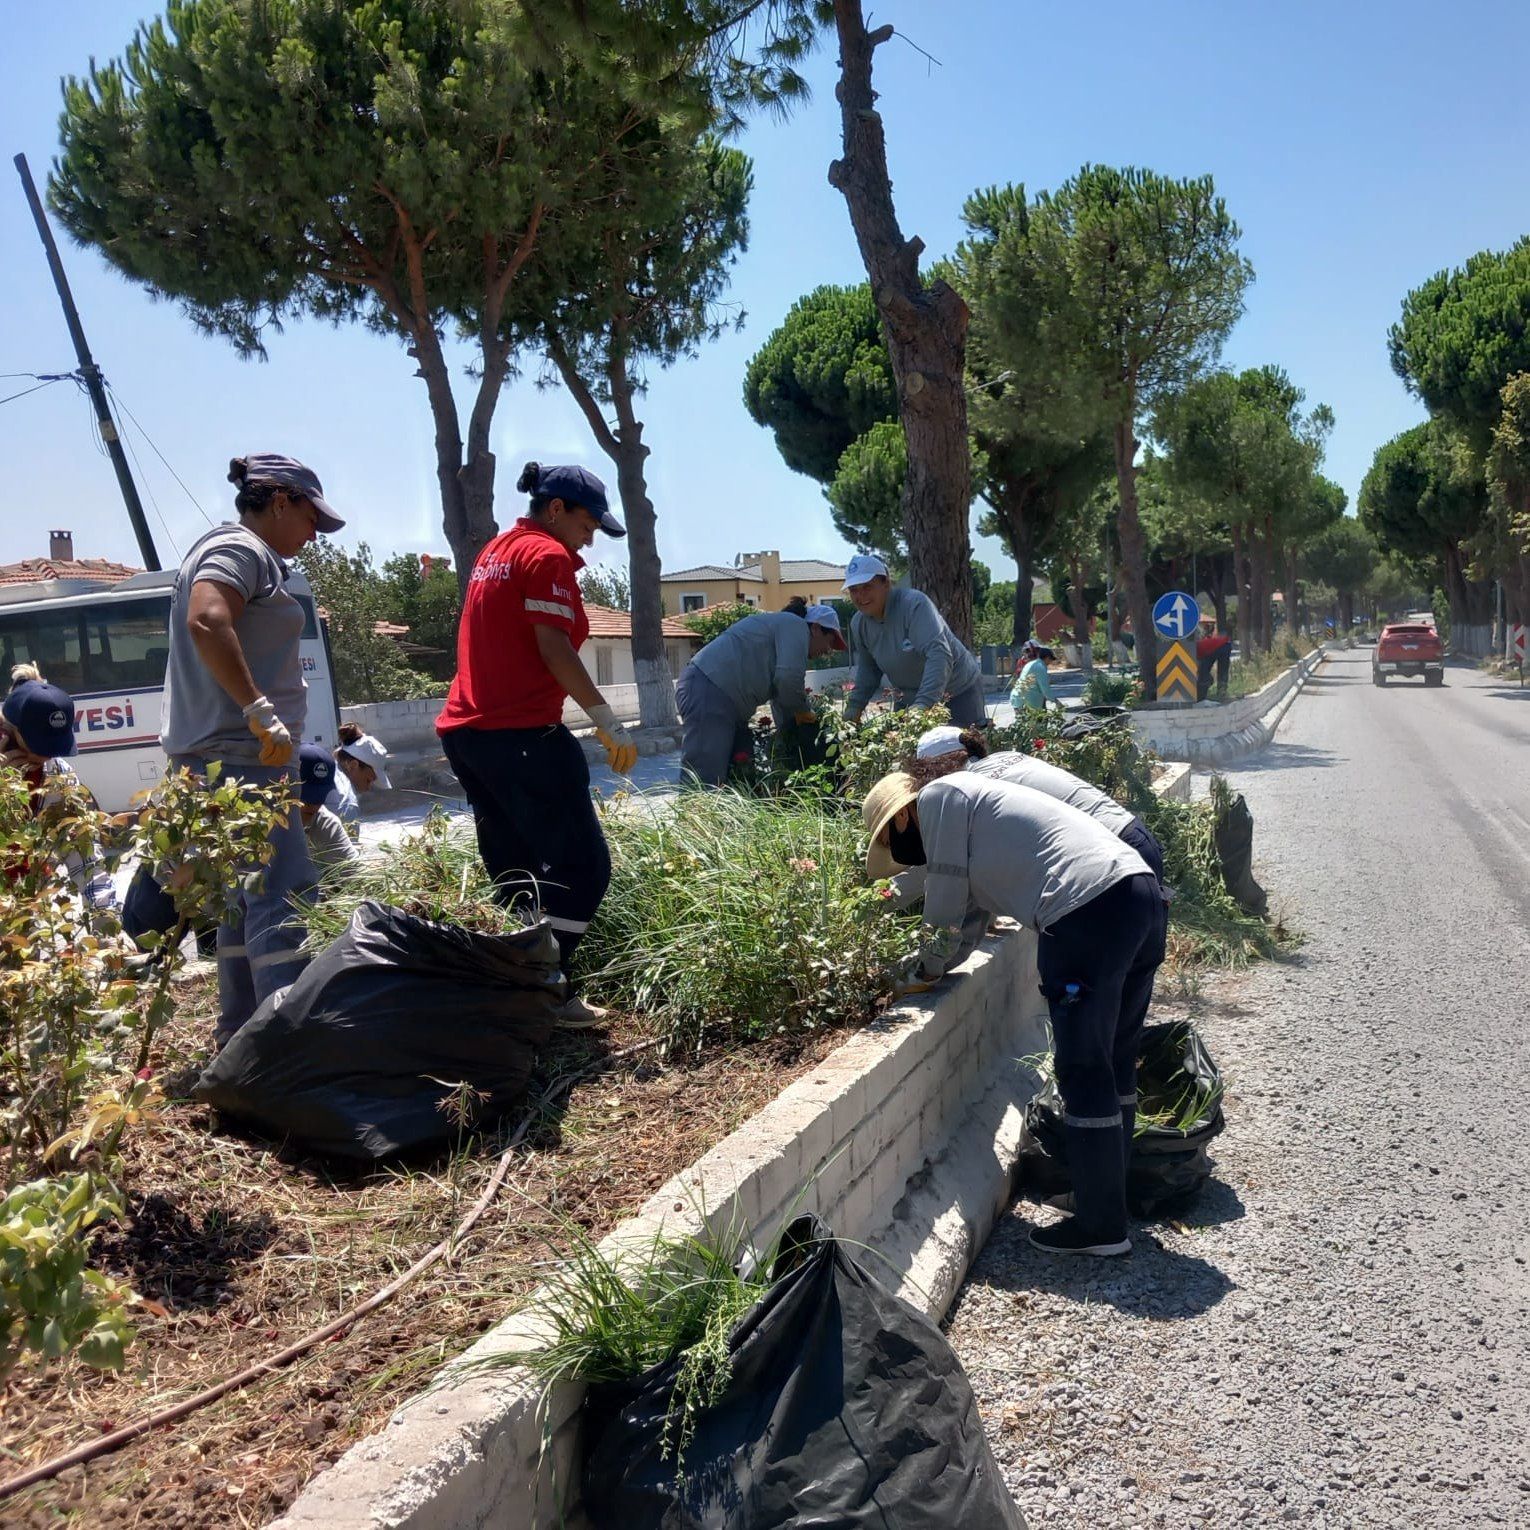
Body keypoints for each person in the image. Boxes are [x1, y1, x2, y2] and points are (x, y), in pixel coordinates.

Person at [862, 767, 1163, 1258]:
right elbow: (968, 929)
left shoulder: (941, 801)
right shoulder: (974, 815)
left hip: (1082, 913)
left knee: (1082, 1069)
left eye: (897, 849)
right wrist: (932, 966)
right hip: (1136, 894)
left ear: (901, 822)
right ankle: (1107, 1197)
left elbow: (941, 922)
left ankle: (1102, 1227)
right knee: (1112, 1060)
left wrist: (909, 974)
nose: (903, 860)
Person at [436, 460, 635, 1027]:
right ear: (555, 509)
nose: (590, 537)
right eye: (588, 523)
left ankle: (508, 991)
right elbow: (552, 646)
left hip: (467, 733)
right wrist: (606, 720)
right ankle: (544, 988)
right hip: (519, 733)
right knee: (584, 867)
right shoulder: (544, 556)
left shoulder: (494, 553)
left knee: (516, 870)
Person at [161, 453, 341, 1047]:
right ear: (281, 500)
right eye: (312, 518)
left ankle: (238, 1034)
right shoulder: (243, 550)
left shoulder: (246, 553)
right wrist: (259, 711)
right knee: (287, 893)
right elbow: (209, 620)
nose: (314, 535)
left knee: (247, 898)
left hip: (230, 757)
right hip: (243, 758)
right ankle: (289, 1045)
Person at [913, 725, 1166, 884]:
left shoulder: (973, 788)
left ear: (938, 767)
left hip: (1108, 863)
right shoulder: (1010, 758)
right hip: (1137, 836)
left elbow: (967, 868)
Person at [676, 603, 847, 786]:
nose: (828, 651)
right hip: (709, 691)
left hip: (718, 697)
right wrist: (804, 711)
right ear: (815, 628)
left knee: (742, 773)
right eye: (830, 641)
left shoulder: (782, 633)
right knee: (703, 781)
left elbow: (782, 696)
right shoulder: (795, 625)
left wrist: (791, 734)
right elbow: (788, 680)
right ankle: (694, 814)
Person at [1, 666, 117, 914]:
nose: (47, 757)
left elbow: (87, 863)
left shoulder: (57, 776)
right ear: (10, 731)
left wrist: (106, 919)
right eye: (40, 747)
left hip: (23, 912)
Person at [842, 554, 986, 726]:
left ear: (886, 584)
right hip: (908, 700)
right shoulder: (859, 623)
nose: (860, 595)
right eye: (854, 590)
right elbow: (869, 669)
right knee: (906, 752)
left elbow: (940, 655)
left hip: (958, 692)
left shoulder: (914, 605)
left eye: (867, 586)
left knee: (965, 749)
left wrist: (922, 706)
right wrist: (855, 705)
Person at [298, 745, 362, 880]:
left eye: (319, 796)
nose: (314, 805)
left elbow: (354, 874)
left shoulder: (324, 822)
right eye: (306, 795)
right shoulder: (257, 821)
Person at [328, 722, 393, 826]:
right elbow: (348, 842)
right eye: (368, 780)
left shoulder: (327, 770)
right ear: (353, 765)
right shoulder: (347, 803)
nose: (367, 789)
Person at [1010, 641, 1060, 712]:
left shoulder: (1031, 663)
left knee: (1023, 721)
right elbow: (1045, 688)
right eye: (1050, 660)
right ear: (1047, 657)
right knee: (1035, 722)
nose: (1050, 663)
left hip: (1018, 699)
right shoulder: (1039, 666)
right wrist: (1056, 701)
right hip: (1027, 701)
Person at [1196, 622, 1233, 701]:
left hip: (1222, 646)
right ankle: (1220, 692)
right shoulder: (1195, 647)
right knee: (1204, 673)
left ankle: (1204, 696)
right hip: (1222, 645)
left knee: (1203, 674)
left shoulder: (1193, 649)